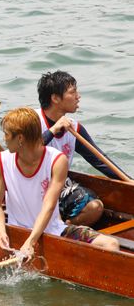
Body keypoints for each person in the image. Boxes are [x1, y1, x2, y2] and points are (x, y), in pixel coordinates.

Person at [0, 107, 119, 257]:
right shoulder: (1, 160)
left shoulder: (56, 160)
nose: (4, 139)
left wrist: (31, 241)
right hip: (17, 230)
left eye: (6, 134)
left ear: (20, 139)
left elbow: (49, 206)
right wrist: (2, 234)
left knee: (111, 244)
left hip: (54, 230)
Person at [36, 70, 133, 226]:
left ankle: (63, 228)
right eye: (72, 92)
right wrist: (53, 131)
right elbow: (22, 151)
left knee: (95, 207)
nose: (78, 96)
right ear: (55, 98)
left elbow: (100, 161)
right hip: (30, 184)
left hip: (58, 184)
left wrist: (127, 180)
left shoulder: (74, 128)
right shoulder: (32, 121)